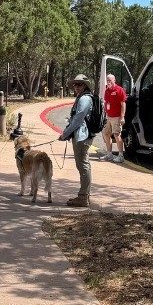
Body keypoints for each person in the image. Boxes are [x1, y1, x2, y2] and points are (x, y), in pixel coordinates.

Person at [58, 73, 94, 208]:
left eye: (79, 84)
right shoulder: (82, 98)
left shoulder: (84, 99)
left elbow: (78, 119)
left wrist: (65, 134)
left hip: (82, 137)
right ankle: (84, 195)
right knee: (83, 165)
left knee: (83, 166)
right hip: (81, 136)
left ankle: (83, 197)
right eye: (75, 84)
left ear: (85, 86)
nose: (76, 87)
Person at [100, 73, 127, 163]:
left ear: (114, 80)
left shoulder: (119, 90)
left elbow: (123, 104)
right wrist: (105, 115)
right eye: (107, 80)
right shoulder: (107, 90)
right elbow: (106, 103)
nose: (108, 82)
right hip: (109, 117)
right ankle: (109, 154)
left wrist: (122, 117)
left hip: (117, 117)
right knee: (106, 134)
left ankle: (120, 155)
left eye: (110, 80)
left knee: (116, 135)